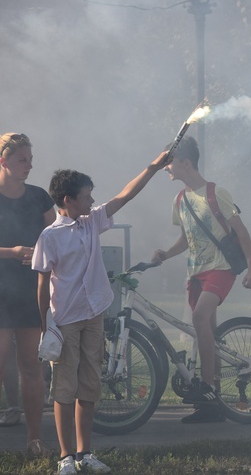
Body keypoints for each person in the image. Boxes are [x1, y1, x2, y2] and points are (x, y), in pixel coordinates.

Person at [33, 151, 170, 475]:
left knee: (90, 385)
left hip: (94, 314)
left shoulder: (91, 221)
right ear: (69, 200)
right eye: (86, 196)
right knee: (65, 388)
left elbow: (125, 195)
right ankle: (66, 457)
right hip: (65, 320)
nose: (93, 199)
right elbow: (41, 286)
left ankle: (85, 452)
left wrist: (152, 166)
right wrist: (46, 327)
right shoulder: (50, 236)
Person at [152, 136, 251, 424]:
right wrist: (166, 253)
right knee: (205, 334)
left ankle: (210, 389)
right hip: (196, 273)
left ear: (186, 163)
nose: (166, 168)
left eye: (170, 162)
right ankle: (214, 408)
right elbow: (186, 239)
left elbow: (241, 232)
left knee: (199, 318)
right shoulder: (180, 200)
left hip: (221, 268)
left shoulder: (215, 193)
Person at [0, 132, 56, 454]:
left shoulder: (39, 198)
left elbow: (59, 236)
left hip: (31, 290)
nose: (29, 166)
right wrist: (13, 251)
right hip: (0, 291)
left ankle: (35, 440)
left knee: (32, 368)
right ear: (3, 161)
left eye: (31, 160)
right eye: (23, 160)